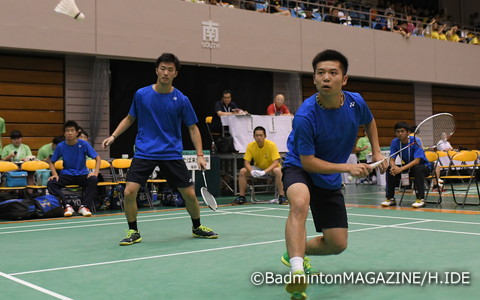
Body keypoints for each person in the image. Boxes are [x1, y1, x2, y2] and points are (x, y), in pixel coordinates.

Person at [280, 49, 386, 300]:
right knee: (299, 202)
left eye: (333, 73)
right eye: (321, 73)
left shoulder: (355, 102)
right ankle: (297, 271)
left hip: (327, 176)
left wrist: (377, 152)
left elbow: (369, 121)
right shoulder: (305, 115)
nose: (326, 77)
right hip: (300, 167)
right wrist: (347, 168)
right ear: (314, 79)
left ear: (344, 79)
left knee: (337, 244)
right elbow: (308, 162)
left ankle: (295, 251)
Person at [102, 53, 218, 246]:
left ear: (175, 74)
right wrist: (114, 136)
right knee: (129, 192)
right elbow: (130, 118)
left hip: (171, 152)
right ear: (156, 70)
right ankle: (133, 231)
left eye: (170, 70)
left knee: (189, 194)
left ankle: (197, 226)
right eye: (162, 68)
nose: (165, 72)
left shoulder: (181, 99)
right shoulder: (141, 95)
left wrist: (200, 155)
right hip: (145, 151)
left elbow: (193, 128)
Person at [47, 120, 101, 217]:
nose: (70, 133)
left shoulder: (84, 144)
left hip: (82, 175)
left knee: (93, 180)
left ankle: (84, 206)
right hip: (67, 175)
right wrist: (55, 174)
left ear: (77, 132)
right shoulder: (60, 146)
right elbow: (51, 162)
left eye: (72, 130)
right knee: (51, 183)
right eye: (67, 131)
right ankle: (67, 205)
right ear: (64, 133)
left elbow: (98, 158)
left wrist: (95, 173)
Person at [381, 122, 432, 209]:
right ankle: (390, 198)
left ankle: (420, 199)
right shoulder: (395, 142)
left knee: (417, 168)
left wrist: (400, 169)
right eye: (397, 132)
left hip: (423, 167)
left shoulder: (416, 141)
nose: (400, 134)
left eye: (402, 131)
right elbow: (392, 159)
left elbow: (417, 161)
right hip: (409, 168)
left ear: (408, 132)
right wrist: (393, 167)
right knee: (390, 169)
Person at [233, 126, 287, 205]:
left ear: (265, 136)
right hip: (258, 168)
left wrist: (265, 171)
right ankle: (242, 197)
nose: (259, 137)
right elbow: (246, 162)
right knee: (242, 171)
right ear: (253, 136)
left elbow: (276, 162)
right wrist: (252, 171)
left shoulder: (271, 145)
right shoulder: (250, 146)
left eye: (261, 135)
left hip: (271, 169)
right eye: (257, 135)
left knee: (278, 171)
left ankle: (282, 196)